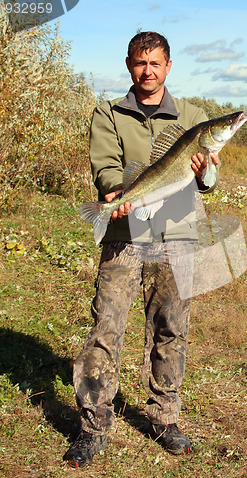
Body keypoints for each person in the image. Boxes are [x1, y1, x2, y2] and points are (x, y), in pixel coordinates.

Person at [64, 31, 218, 468]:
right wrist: (117, 197)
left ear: (169, 66)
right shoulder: (108, 114)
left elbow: (209, 181)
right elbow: (108, 169)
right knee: (106, 326)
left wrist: (205, 168)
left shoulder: (194, 118)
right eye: (139, 62)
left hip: (176, 237)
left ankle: (164, 418)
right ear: (128, 65)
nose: (147, 71)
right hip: (124, 234)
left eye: (155, 63)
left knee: (171, 325)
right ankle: (93, 426)